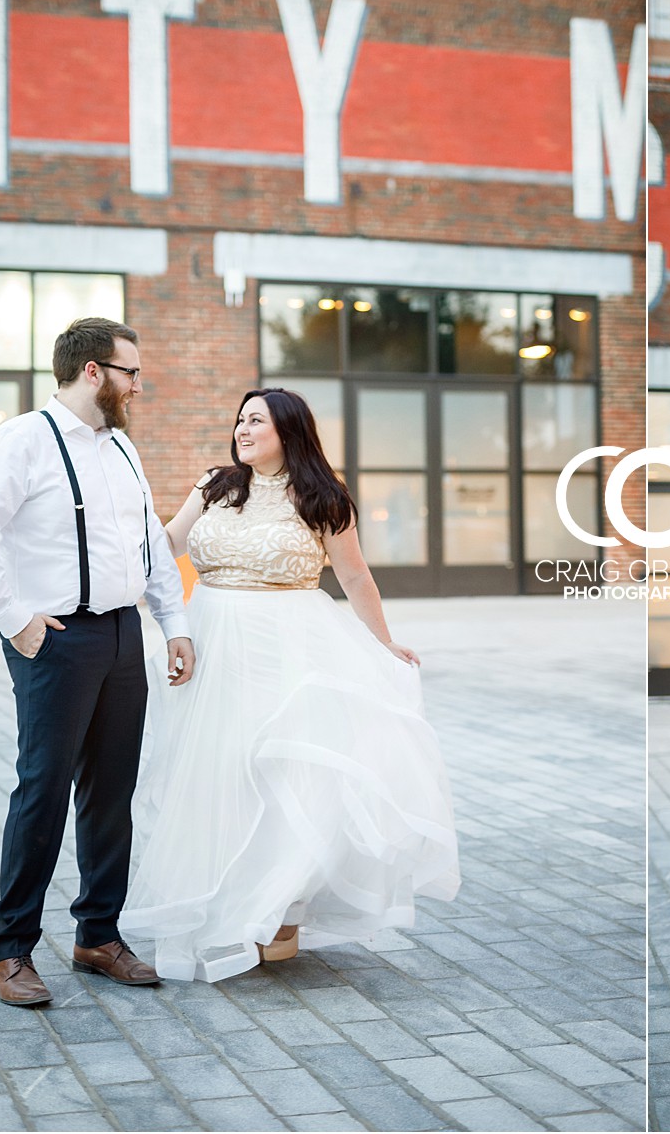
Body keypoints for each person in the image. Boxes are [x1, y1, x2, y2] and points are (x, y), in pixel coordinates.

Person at [121, 387, 459, 982]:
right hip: (210, 644)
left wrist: (383, 644)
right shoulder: (214, 485)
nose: (243, 429)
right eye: (240, 419)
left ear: (288, 431)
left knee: (275, 771)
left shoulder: (324, 498)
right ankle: (218, 896)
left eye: (257, 420)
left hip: (287, 650)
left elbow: (354, 577)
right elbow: (165, 546)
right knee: (214, 770)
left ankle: (278, 904)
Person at [0, 317, 195, 1006]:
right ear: (93, 372)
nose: (138, 386)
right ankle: (11, 951)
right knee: (43, 790)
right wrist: (17, 620)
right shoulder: (22, 439)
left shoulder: (122, 448)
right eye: (130, 373)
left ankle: (97, 936)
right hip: (55, 640)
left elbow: (147, 541)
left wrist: (173, 623)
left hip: (121, 638)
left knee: (112, 794)